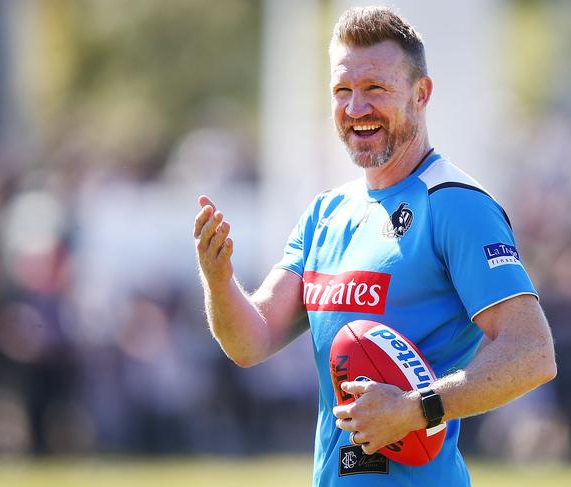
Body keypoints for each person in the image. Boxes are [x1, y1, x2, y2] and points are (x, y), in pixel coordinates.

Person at [193, 6, 556, 486]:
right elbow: (250, 340)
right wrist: (218, 281)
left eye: (375, 89)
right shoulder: (326, 214)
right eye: (342, 91)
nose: (356, 107)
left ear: (420, 94)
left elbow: (532, 352)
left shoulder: (457, 206)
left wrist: (416, 408)